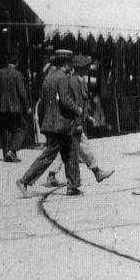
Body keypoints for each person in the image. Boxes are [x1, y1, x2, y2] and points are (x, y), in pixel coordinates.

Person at [16, 49, 82, 197]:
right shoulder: (63, 78)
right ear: (66, 63)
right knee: (49, 155)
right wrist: (77, 109)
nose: (71, 65)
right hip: (61, 124)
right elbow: (65, 100)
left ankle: (73, 186)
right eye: (70, 62)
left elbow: (43, 102)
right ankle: (24, 180)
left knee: (70, 152)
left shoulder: (48, 78)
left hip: (51, 123)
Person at [43, 55, 113, 187]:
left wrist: (88, 117)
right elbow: (77, 102)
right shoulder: (77, 81)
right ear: (83, 68)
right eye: (87, 66)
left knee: (65, 148)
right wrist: (81, 119)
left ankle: (52, 175)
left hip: (74, 121)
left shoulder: (73, 79)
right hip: (75, 123)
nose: (88, 69)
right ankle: (96, 172)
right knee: (79, 147)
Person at [0, 50, 31, 163]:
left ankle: (6, 154)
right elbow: (22, 93)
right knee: (22, 127)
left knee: (6, 129)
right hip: (15, 107)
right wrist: (27, 106)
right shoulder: (18, 75)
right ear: (17, 62)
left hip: (1, 107)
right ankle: (13, 150)